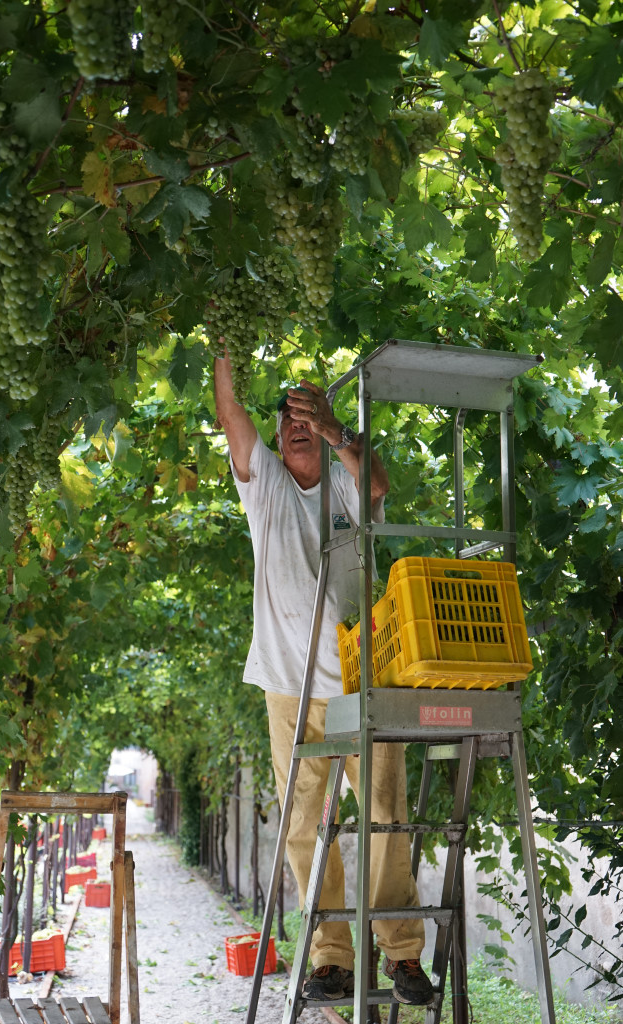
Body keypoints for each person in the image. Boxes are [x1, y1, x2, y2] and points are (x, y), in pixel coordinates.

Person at [214, 348, 433, 1006]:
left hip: (359, 681)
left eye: (309, 413)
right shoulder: (268, 487)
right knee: (304, 825)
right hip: (288, 687)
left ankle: (401, 953)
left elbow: (373, 483)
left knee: (386, 817)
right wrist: (225, 342)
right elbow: (230, 417)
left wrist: (340, 431)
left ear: (327, 421)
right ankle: (333, 956)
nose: (296, 424)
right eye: (287, 418)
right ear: (277, 437)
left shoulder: (342, 482)